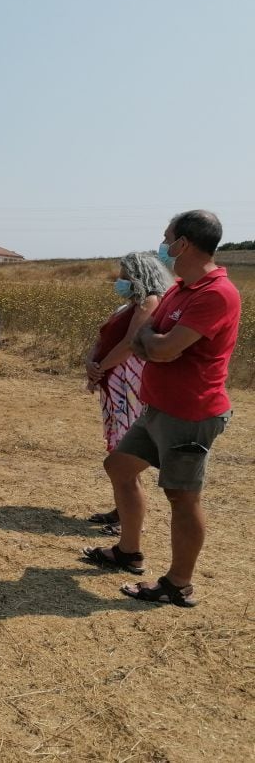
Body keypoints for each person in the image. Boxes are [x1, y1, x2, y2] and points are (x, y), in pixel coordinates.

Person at [82, 210, 241, 608]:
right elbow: (146, 339)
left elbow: (164, 348)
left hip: (190, 413)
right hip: (157, 408)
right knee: (119, 466)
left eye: (167, 237)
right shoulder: (181, 289)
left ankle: (178, 583)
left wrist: (150, 340)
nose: (163, 244)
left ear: (183, 243)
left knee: (182, 496)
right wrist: (151, 340)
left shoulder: (216, 293)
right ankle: (128, 552)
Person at [84, 252, 173, 531]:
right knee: (118, 445)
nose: (120, 280)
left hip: (128, 386)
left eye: (125, 275)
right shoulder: (129, 305)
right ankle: (120, 508)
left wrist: (99, 367)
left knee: (127, 450)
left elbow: (130, 343)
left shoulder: (150, 302)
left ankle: (129, 520)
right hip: (113, 383)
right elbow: (103, 337)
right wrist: (92, 361)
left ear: (139, 275)